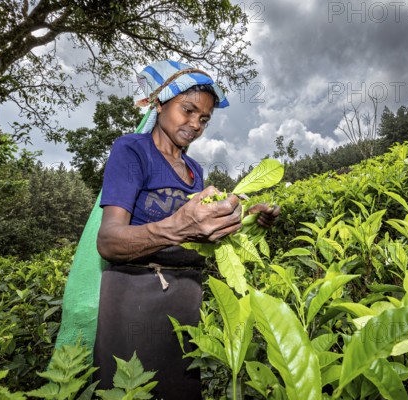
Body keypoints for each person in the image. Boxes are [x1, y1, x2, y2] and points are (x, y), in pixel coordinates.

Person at [92, 60, 280, 399]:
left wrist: (247, 220)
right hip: (134, 298)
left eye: (204, 119)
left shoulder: (195, 169)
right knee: (130, 388)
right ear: (160, 103)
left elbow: (202, 237)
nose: (195, 124)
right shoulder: (132, 150)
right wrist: (176, 228)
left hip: (185, 299)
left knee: (179, 388)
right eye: (188, 110)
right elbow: (108, 242)